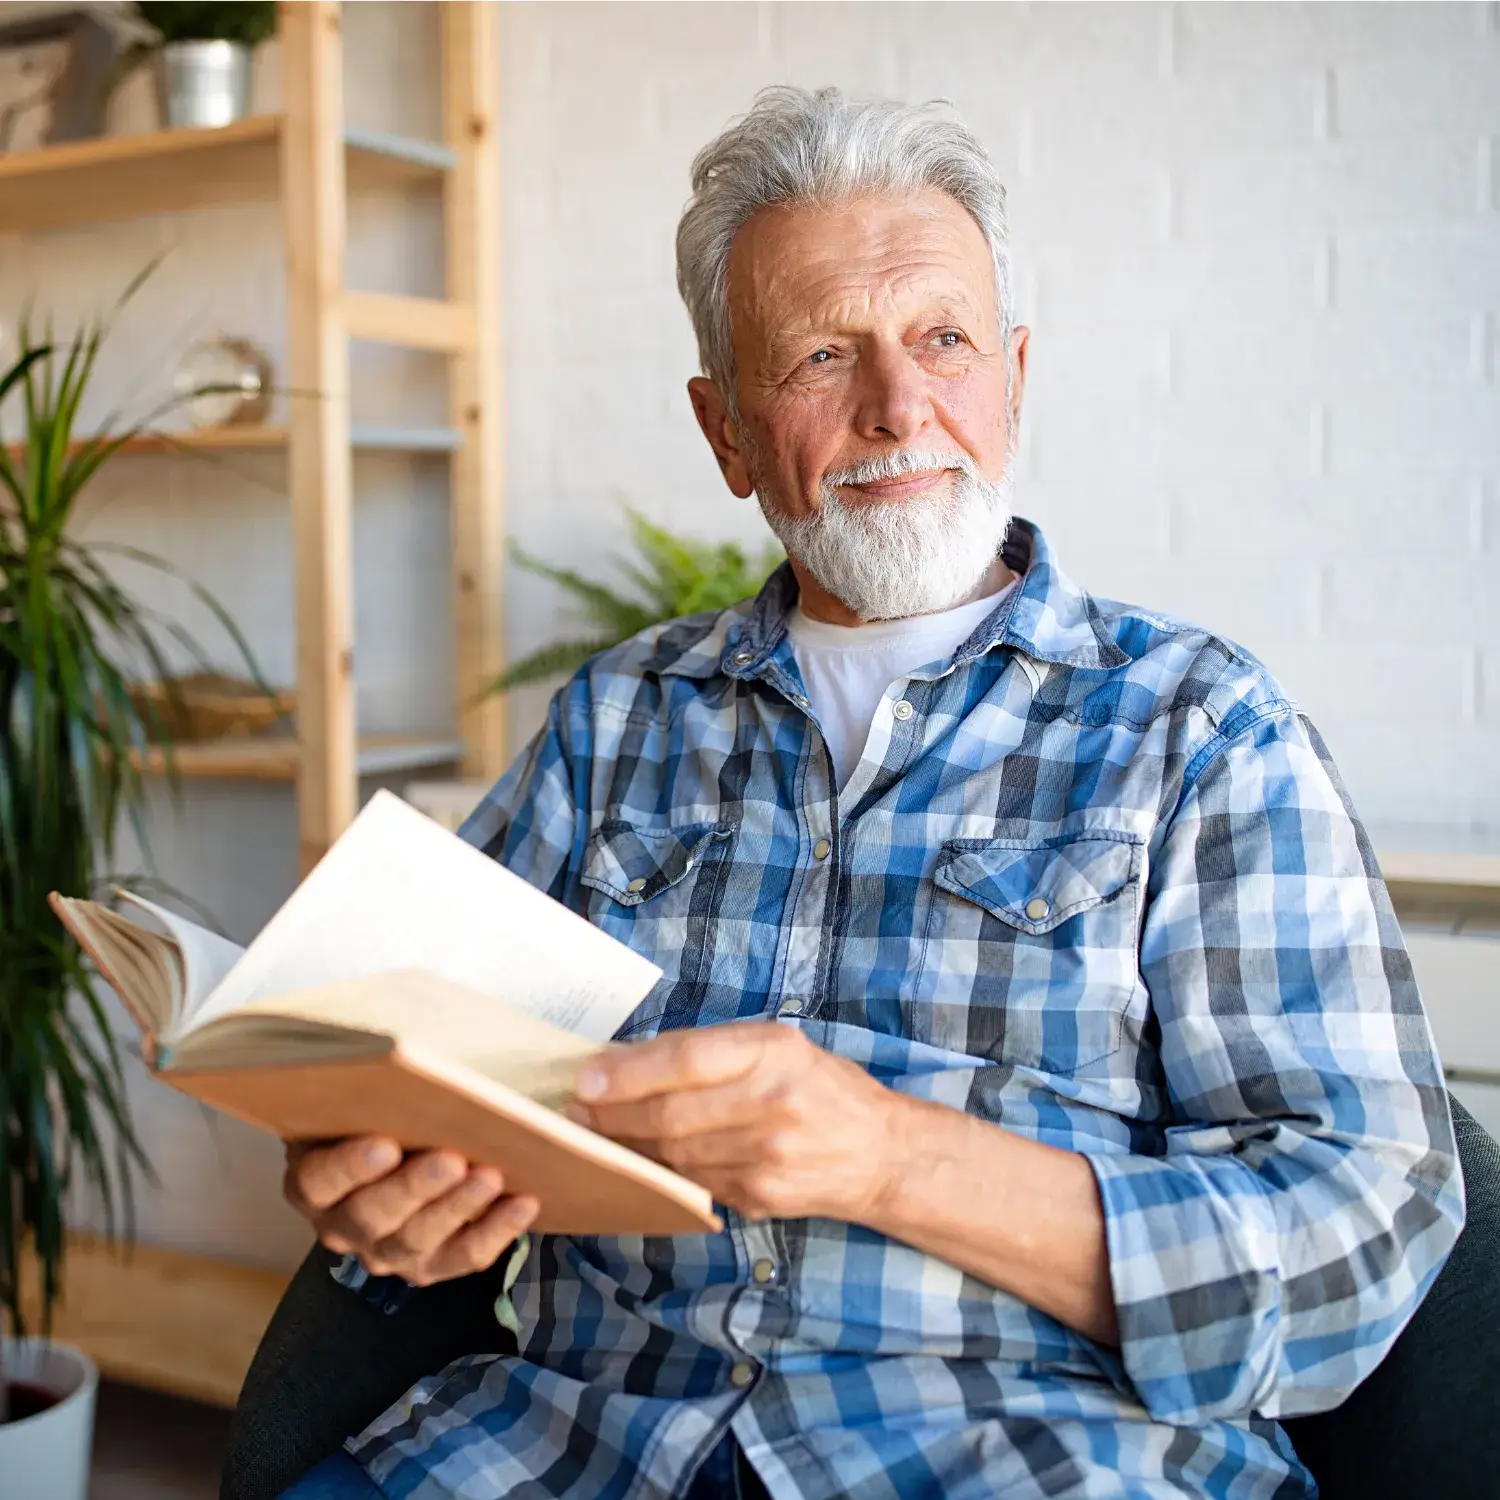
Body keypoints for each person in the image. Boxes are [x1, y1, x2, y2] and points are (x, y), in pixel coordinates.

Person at [277, 87, 1463, 1500]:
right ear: (724, 432)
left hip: (1038, 1458)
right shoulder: (613, 721)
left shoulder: (1201, 729)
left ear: (1013, 373)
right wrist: (374, 1183)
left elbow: (1364, 1239)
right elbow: (420, 1084)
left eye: (944, 339)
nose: (902, 407)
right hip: (571, 1446)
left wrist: (891, 1158)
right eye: (826, 354)